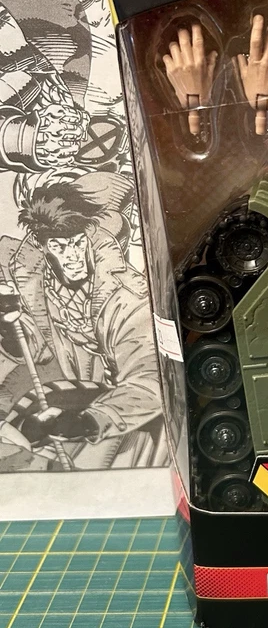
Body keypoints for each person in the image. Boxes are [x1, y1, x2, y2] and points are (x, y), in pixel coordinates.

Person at [0, 181, 164, 468]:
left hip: (135, 410)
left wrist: (88, 422)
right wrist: (7, 328)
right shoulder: (34, 280)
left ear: (88, 236)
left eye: (77, 243)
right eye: (59, 247)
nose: (73, 257)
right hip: (81, 394)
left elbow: (149, 377)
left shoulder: (128, 294)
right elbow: (37, 348)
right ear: (43, 246)